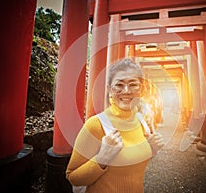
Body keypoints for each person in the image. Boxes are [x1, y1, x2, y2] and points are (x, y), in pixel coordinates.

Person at [66, 58, 165, 193]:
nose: (126, 91)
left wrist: (151, 148)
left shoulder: (141, 121)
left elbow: (133, 164)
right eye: (119, 85)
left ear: (140, 89)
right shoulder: (96, 125)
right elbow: (72, 177)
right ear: (110, 90)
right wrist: (102, 158)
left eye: (133, 84)